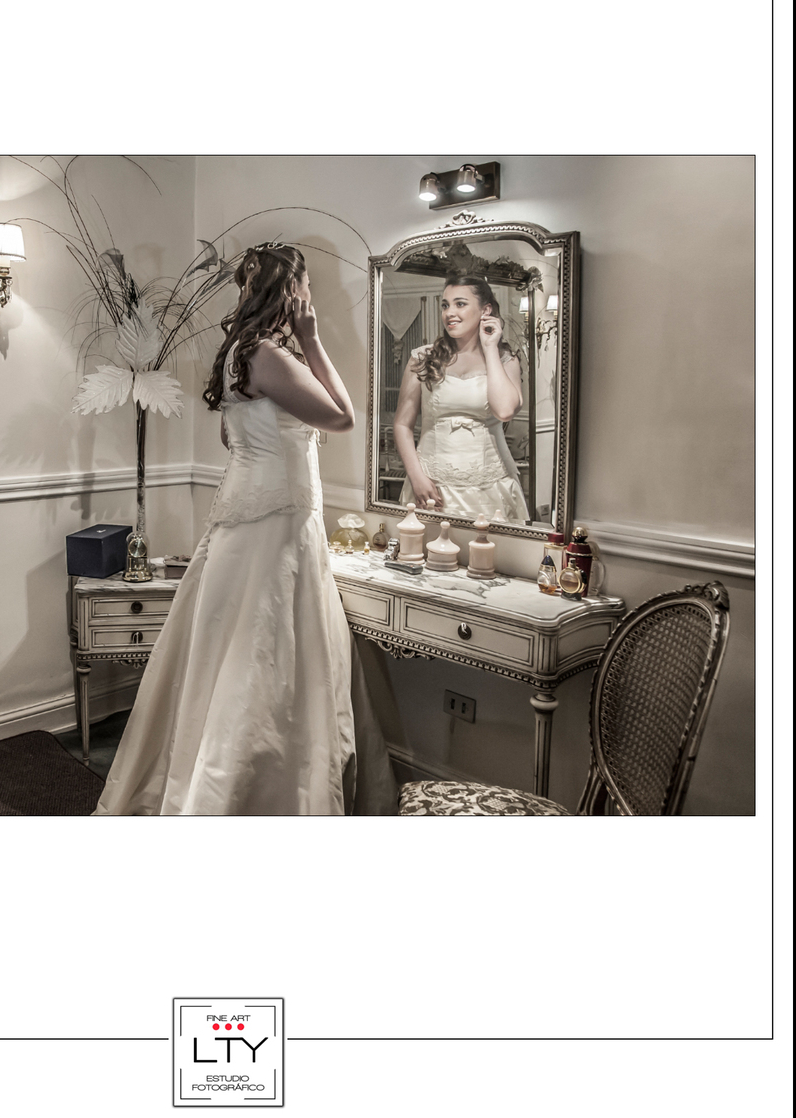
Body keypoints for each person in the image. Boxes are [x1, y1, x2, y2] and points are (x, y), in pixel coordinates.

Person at [93, 244, 395, 816]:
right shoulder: (270, 354)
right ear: (291, 291)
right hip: (276, 524)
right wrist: (312, 339)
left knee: (230, 651)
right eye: (305, 285)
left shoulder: (239, 351)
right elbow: (343, 417)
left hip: (249, 516)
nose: (310, 296)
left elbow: (233, 440)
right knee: (262, 657)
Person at [393, 274, 530, 522]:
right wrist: (416, 477)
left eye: (460, 304)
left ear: (486, 310)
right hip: (431, 485)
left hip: (491, 486)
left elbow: (505, 411)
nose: (449, 313)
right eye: (445, 305)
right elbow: (402, 424)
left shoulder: (506, 360)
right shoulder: (423, 358)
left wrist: (490, 348)